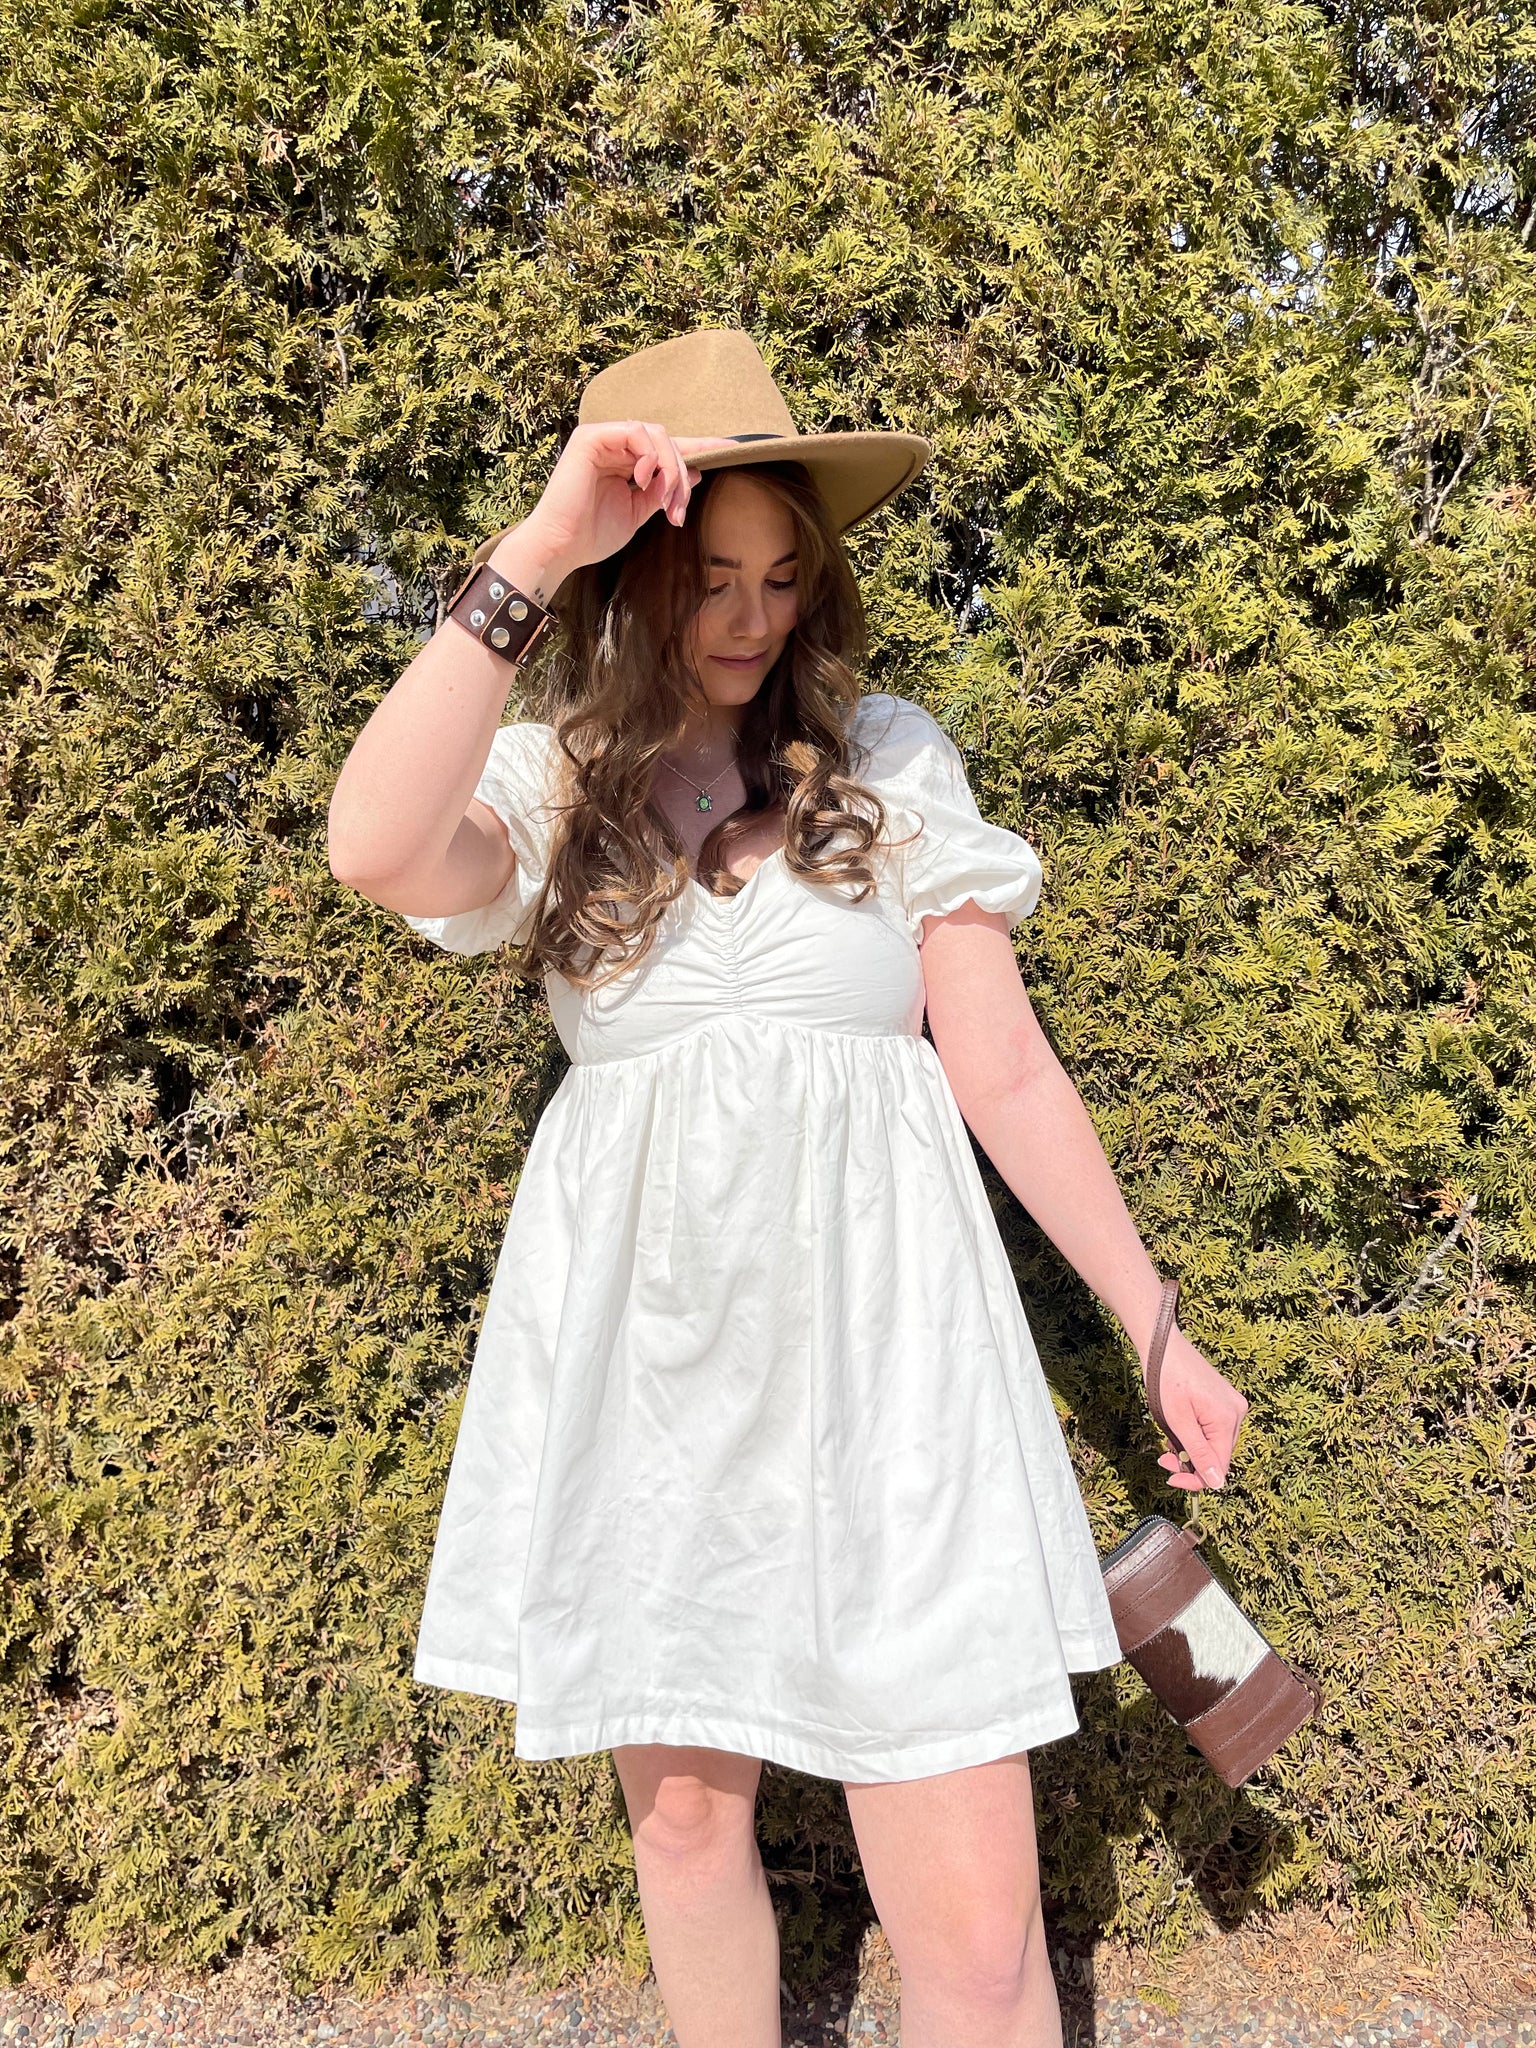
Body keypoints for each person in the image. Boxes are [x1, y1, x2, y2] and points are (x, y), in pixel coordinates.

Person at [327, 329, 1248, 2048]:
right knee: (686, 1834)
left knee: (977, 1932)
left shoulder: (887, 757)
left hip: (896, 1373)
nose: (751, 619)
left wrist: (1151, 1317)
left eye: (779, 578)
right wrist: (540, 545)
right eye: (709, 581)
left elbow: (1004, 1066)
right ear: (632, 582)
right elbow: (373, 846)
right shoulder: (550, 778)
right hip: (653, 1376)